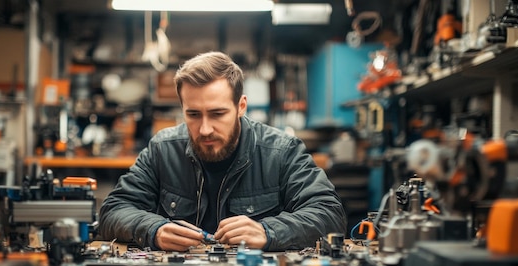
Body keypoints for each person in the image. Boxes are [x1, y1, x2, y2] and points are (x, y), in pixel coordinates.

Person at [98, 51, 346, 251]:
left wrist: (269, 232)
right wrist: (153, 229)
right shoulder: (162, 150)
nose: (205, 129)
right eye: (193, 115)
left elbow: (329, 213)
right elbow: (114, 210)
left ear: (241, 106)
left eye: (217, 114)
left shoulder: (281, 151)